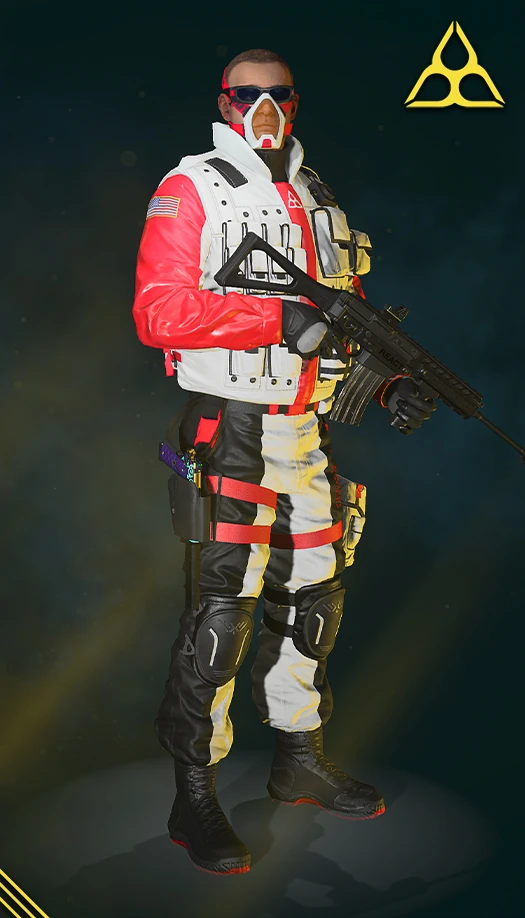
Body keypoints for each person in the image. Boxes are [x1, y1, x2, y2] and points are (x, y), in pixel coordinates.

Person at [132, 48, 436, 876]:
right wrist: (274, 321)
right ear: (224, 103)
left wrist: (388, 383)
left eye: (277, 96)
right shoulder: (191, 186)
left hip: (305, 431)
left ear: (293, 104)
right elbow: (158, 311)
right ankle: (193, 793)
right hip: (229, 427)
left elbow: (348, 319)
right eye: (246, 95)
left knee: (313, 597)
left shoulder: (317, 196)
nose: (262, 109)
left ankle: (297, 757)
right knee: (220, 616)